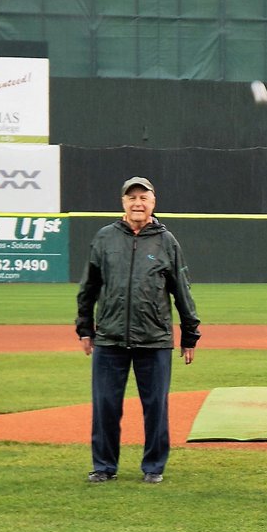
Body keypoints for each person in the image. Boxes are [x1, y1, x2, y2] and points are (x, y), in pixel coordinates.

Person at [75, 176, 201, 485]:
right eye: (132, 198)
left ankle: (153, 467)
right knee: (105, 406)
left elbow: (181, 290)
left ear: (153, 203)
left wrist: (189, 334)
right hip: (110, 337)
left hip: (154, 339)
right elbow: (88, 286)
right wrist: (84, 328)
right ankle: (104, 466)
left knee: (155, 407)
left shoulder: (166, 241)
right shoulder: (105, 238)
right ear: (123, 203)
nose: (137, 203)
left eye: (143, 198)